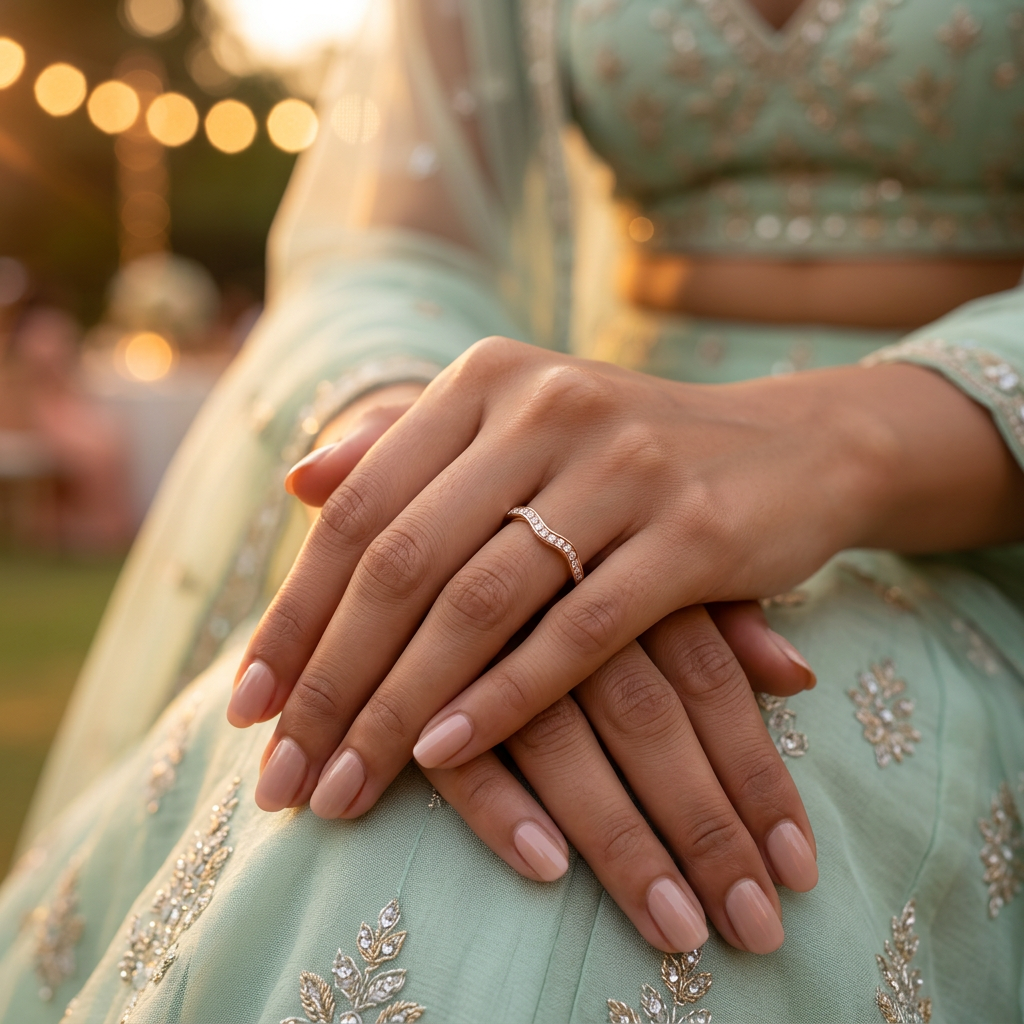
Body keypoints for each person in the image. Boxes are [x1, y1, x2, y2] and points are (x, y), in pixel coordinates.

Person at [3, 0, 1024, 1020]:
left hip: (971, 476)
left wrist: (835, 445)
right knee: (381, 792)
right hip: (568, 475)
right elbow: (390, 246)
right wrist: (435, 476)